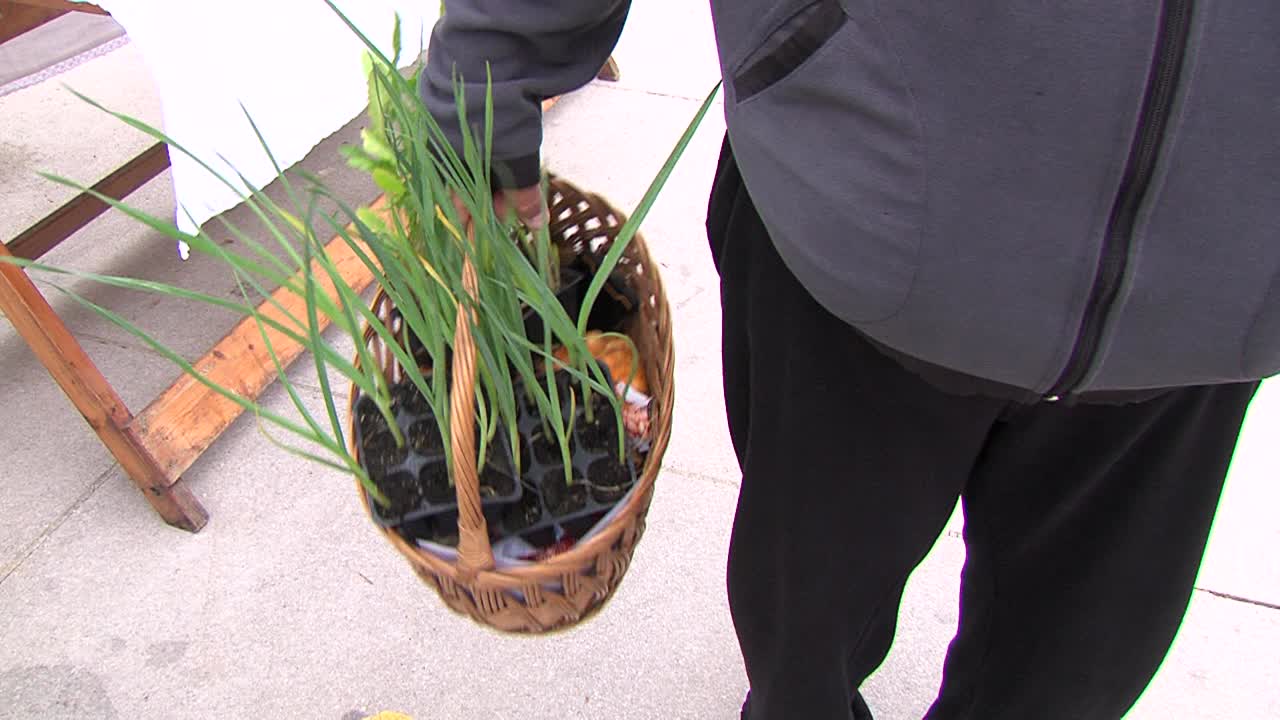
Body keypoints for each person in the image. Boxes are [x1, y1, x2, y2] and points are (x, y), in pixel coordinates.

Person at [420, 2, 1279, 718]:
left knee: (1074, 663)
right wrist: (494, 63)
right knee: (806, 616)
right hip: (855, 225)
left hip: (1211, 290)